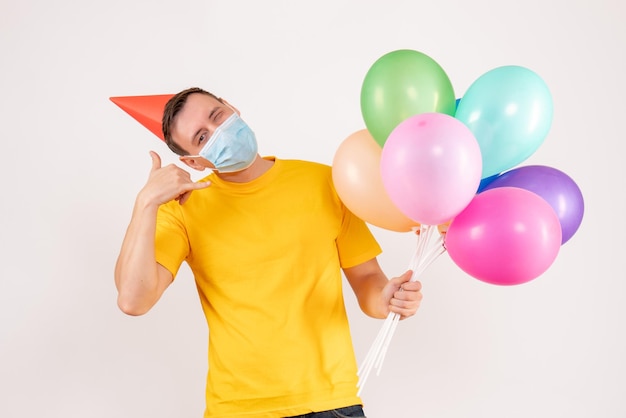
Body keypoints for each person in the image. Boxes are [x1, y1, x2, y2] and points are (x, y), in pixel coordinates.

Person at [114, 87, 423, 418]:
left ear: (232, 107)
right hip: (237, 409)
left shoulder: (323, 182)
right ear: (193, 161)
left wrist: (388, 299)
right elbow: (134, 300)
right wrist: (146, 202)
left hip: (331, 402)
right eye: (202, 137)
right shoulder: (183, 209)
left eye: (217, 116)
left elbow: (367, 280)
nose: (218, 132)